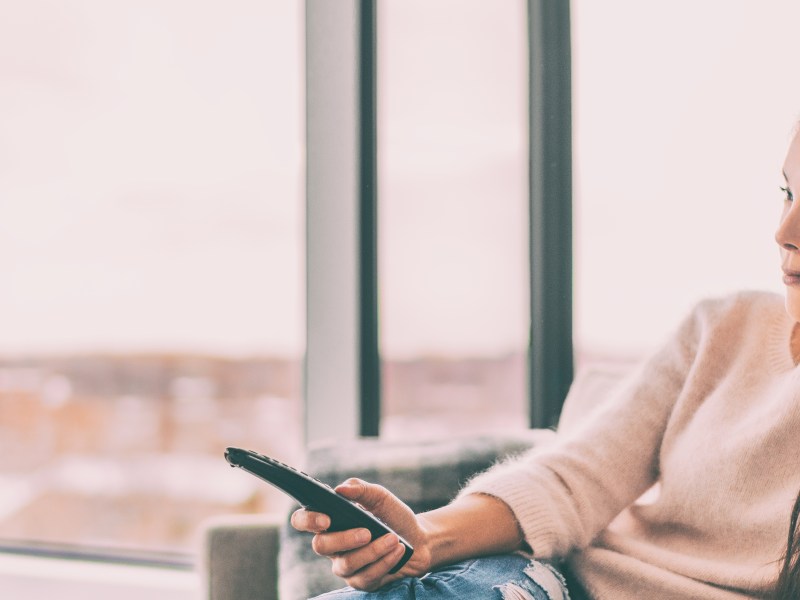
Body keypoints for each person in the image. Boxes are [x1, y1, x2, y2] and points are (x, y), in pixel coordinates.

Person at [291, 125, 800, 600]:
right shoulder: (723, 327)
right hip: (546, 579)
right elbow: (575, 478)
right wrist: (425, 536)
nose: (784, 232)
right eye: (787, 193)